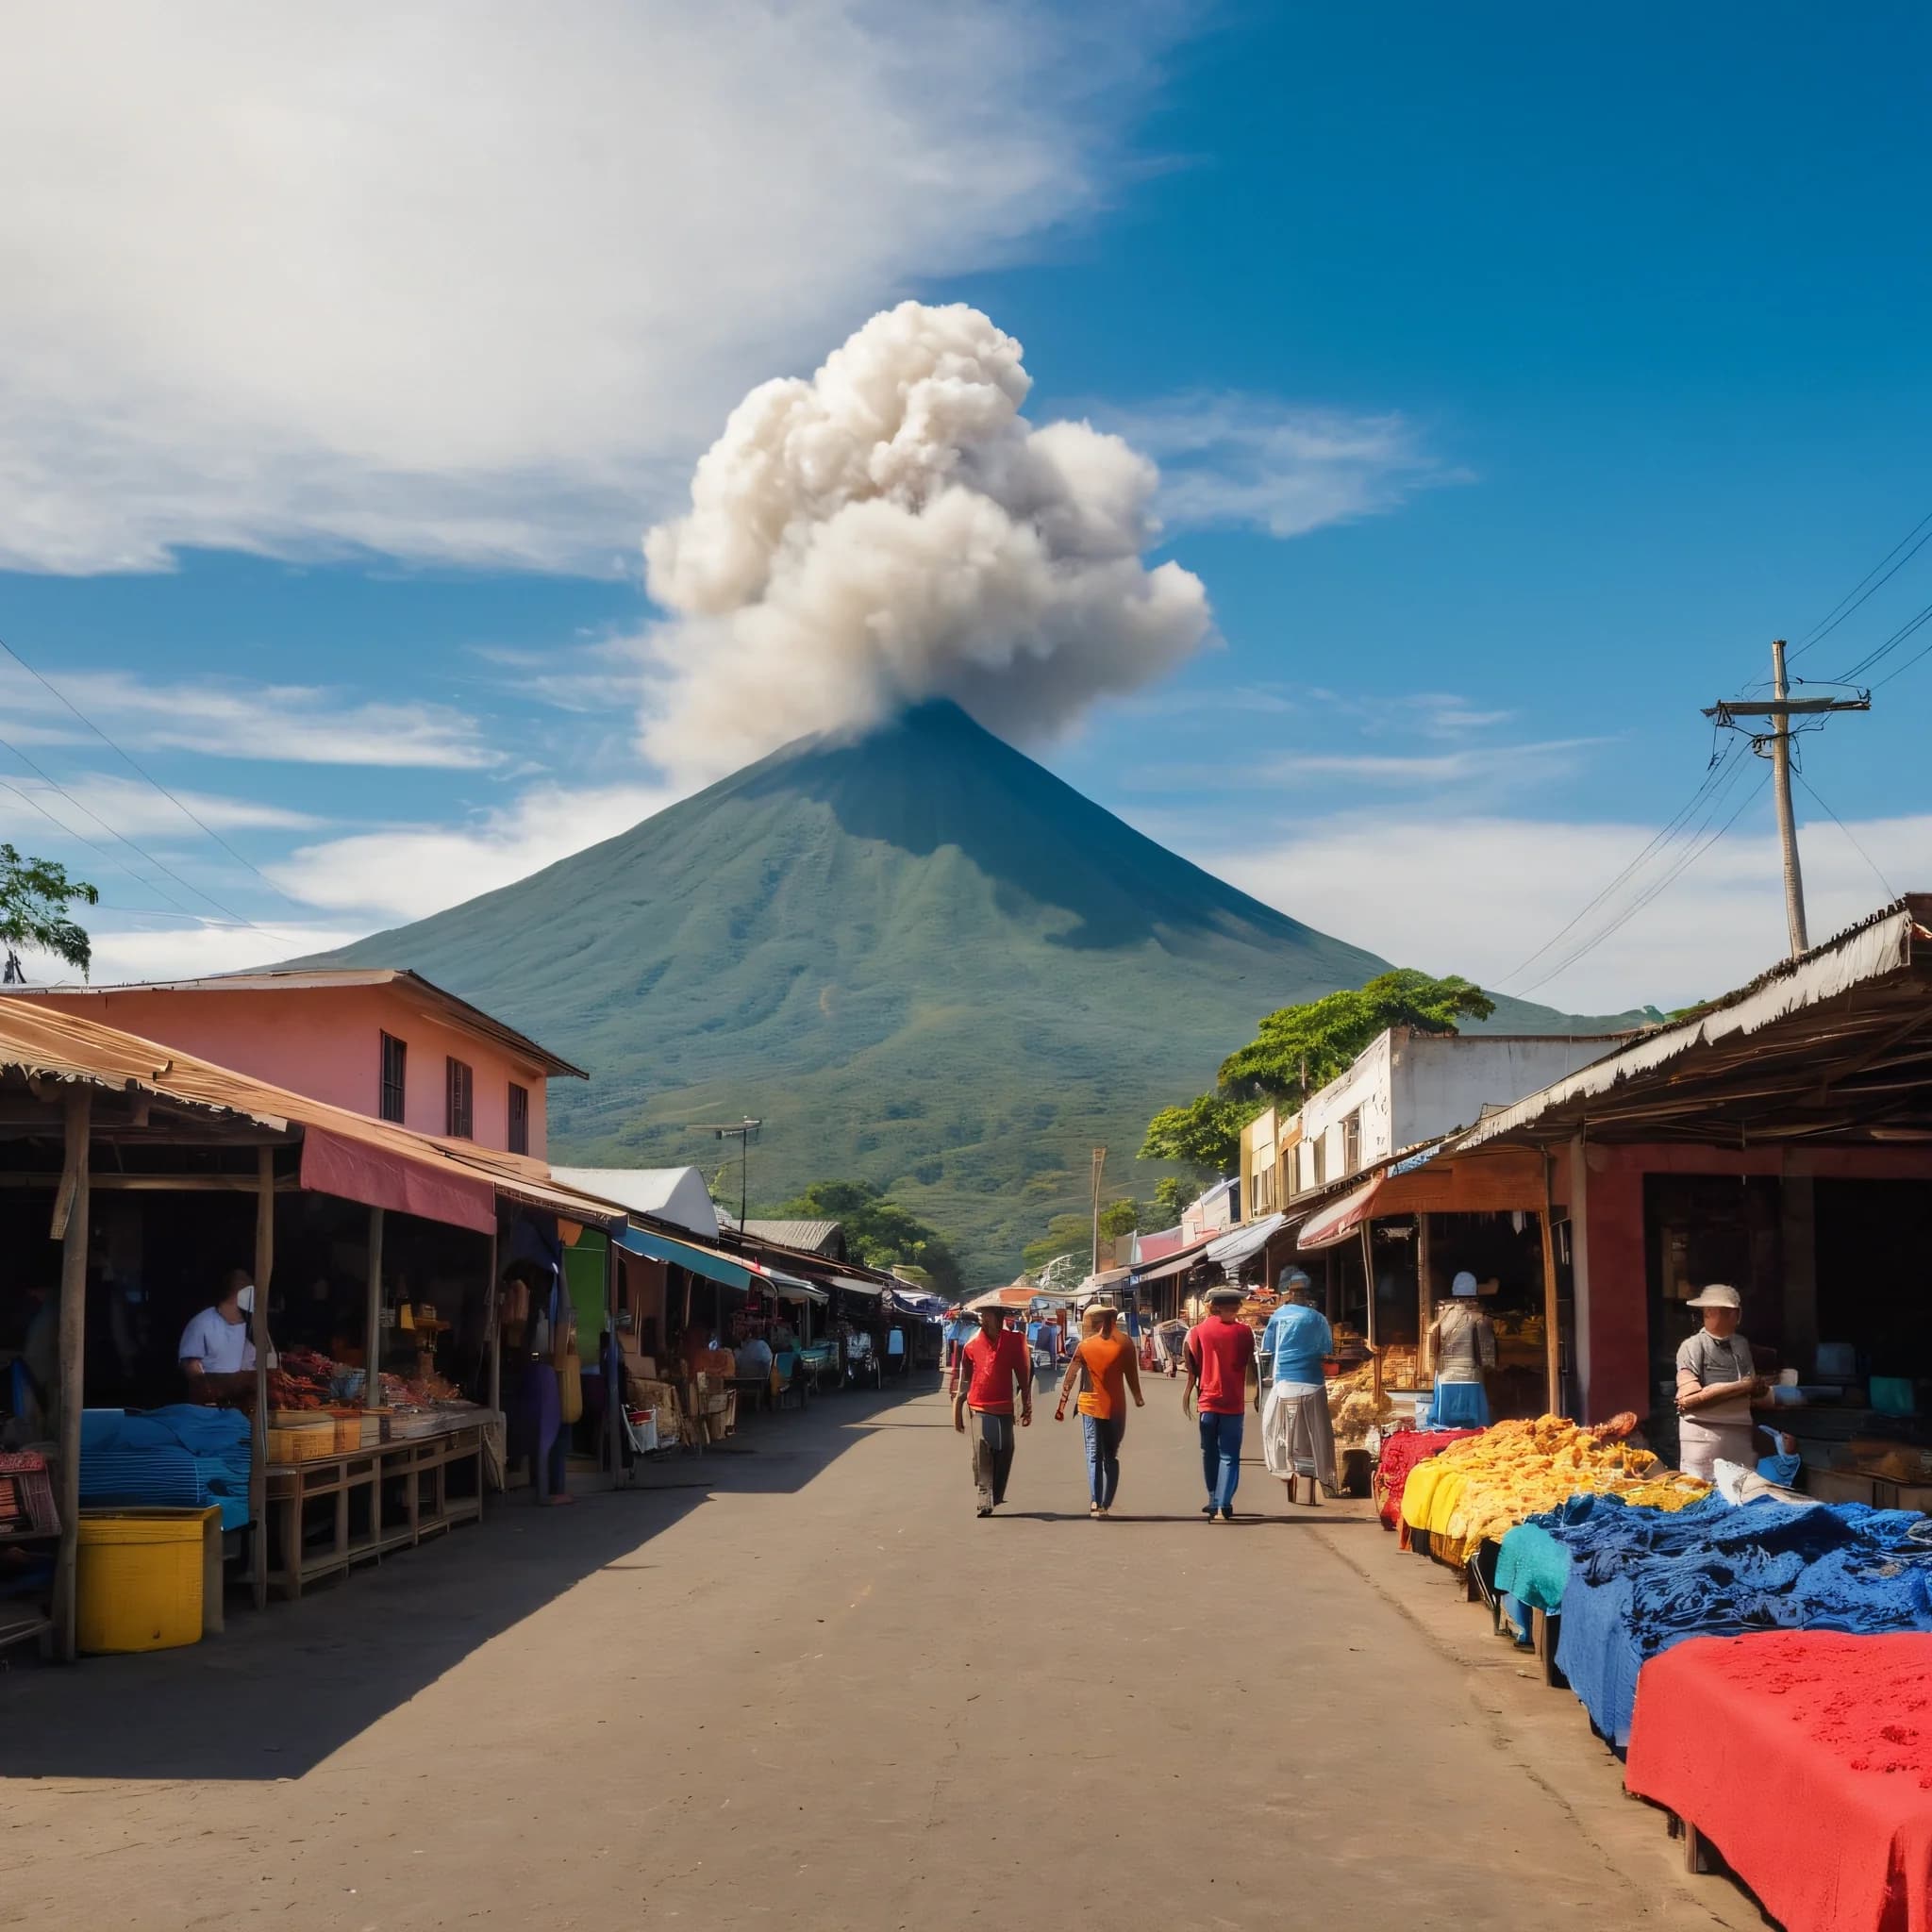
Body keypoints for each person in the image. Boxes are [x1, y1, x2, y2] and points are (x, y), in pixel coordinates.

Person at [1674, 1284, 1784, 1482]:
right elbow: (1686, 1401)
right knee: (1703, 1491)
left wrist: (1764, 1392)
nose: (1735, 1317)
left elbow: (1751, 1392)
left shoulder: (1741, 1345)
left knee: (1743, 1489)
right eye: (1711, 1312)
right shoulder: (1692, 1346)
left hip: (1739, 1435)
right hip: (1703, 1438)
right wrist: (1741, 1387)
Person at [1054, 1300, 1144, 1518]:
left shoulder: (1124, 1345)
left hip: (1114, 1408)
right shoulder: (1087, 1346)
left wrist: (1137, 1396)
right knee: (1095, 1454)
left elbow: (1131, 1374)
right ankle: (1097, 1501)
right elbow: (1072, 1375)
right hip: (1091, 1406)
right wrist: (1063, 1403)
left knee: (1109, 1455)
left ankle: (1104, 1501)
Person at [1258, 1271, 1339, 1498]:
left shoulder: (1279, 1316)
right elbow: (1326, 1352)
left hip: (1284, 1384)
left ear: (1288, 1293)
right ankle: (1324, 1478)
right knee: (1318, 1434)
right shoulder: (1317, 1319)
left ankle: (1286, 1472)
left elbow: (1268, 1349)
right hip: (1313, 1384)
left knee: (1279, 1431)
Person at [1184, 1284, 1258, 1521]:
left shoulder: (1197, 1331)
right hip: (1233, 1402)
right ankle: (1224, 1505)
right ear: (1234, 1308)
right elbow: (1247, 1362)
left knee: (1209, 1452)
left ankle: (1213, 1498)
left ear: (1211, 1307)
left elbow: (1192, 1363)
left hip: (1208, 1399)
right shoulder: (1245, 1333)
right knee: (1229, 1455)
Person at [951, 1303, 1031, 1516]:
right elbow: (964, 1381)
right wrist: (957, 1409)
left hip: (1004, 1407)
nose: (984, 1321)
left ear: (1000, 1317)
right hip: (979, 1405)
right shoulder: (971, 1344)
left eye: (988, 1317)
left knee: (1006, 1449)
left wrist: (1026, 1402)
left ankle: (995, 1495)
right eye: (982, 1317)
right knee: (983, 1450)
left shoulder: (1015, 1341)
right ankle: (984, 1499)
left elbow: (1023, 1374)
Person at [1425, 1272, 1496, 1429]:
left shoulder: (1441, 1314)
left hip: (1445, 1376)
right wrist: (1489, 1366)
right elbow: (1487, 1351)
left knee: (1444, 1422)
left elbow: (1431, 1348)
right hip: (1471, 1376)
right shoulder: (1479, 1316)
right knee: (1475, 1423)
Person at [177, 1268, 258, 1398]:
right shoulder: (202, 1323)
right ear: (236, 1296)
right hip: (206, 1404)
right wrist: (209, 1391)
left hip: (235, 1400)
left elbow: (249, 1360)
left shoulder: (243, 1325)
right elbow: (191, 1366)